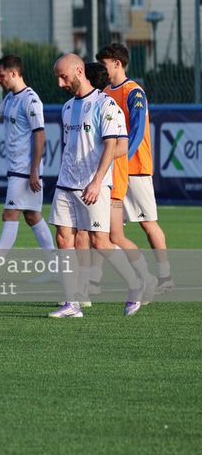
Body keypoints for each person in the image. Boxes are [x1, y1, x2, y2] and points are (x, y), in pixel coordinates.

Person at [48, 54, 143, 319]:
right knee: (63, 238)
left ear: (79, 71)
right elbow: (70, 146)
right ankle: (72, 303)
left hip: (94, 185)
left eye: (63, 77)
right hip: (66, 183)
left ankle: (135, 284)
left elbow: (113, 146)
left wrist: (97, 181)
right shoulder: (67, 108)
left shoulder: (106, 105)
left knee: (100, 242)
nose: (60, 83)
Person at [0, 55, 55, 282]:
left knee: (9, 214)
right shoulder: (10, 98)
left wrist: (34, 170)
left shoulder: (31, 99)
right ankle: (56, 268)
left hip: (24, 170)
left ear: (14, 73)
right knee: (33, 216)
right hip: (17, 168)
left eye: (1, 75)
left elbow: (40, 136)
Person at [96, 43, 169, 293]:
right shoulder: (106, 91)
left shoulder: (134, 92)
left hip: (135, 169)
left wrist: (122, 159)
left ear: (117, 64)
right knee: (105, 229)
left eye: (104, 64)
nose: (102, 69)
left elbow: (136, 133)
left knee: (148, 223)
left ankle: (165, 276)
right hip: (113, 171)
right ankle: (94, 280)